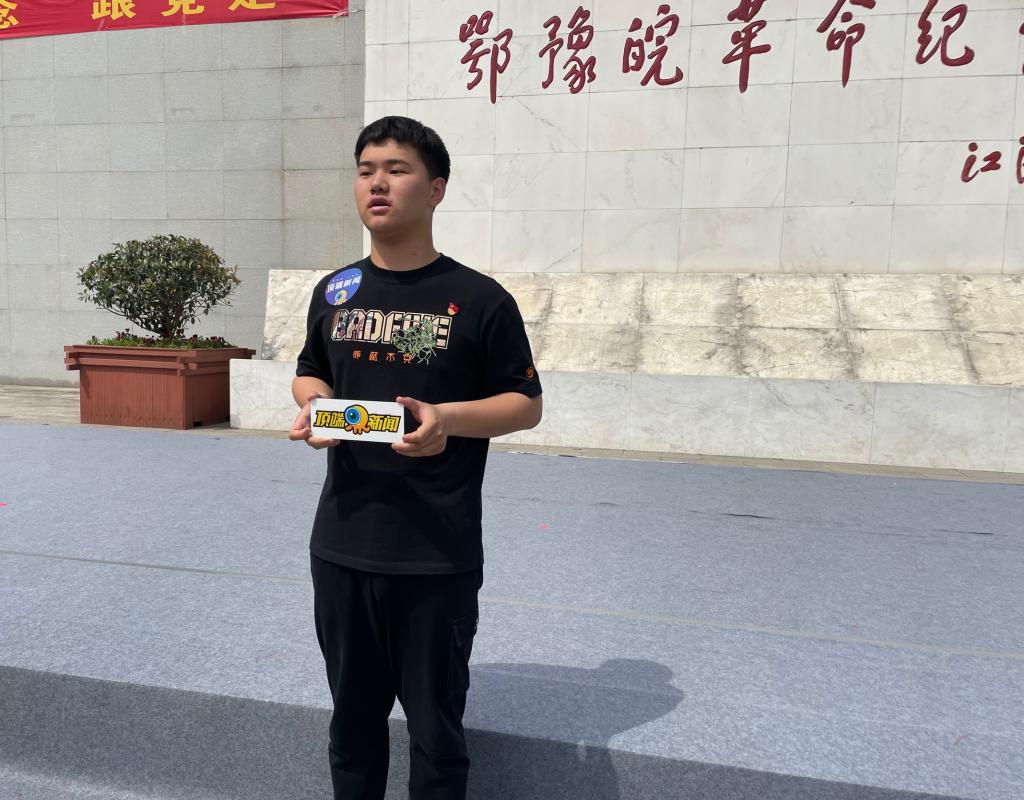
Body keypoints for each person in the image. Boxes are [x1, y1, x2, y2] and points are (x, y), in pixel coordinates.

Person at [288, 116, 544, 800]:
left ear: (435, 189)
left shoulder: (481, 300)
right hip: (343, 546)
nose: (377, 182)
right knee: (352, 727)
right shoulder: (336, 292)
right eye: (365, 170)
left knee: (435, 734)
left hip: (436, 553)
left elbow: (525, 403)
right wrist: (316, 405)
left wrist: (448, 421)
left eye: (396, 169)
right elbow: (310, 371)